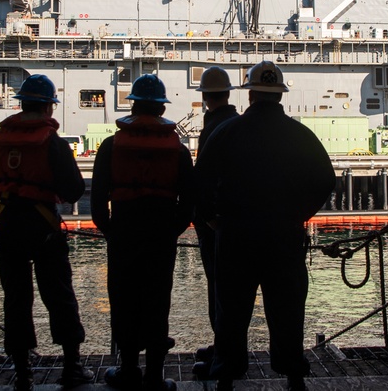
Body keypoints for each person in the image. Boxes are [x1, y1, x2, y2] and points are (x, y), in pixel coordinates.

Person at [195, 61, 336, 391]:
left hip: (236, 236)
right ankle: (294, 375)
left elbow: (199, 182)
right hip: (283, 235)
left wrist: (214, 219)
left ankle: (226, 375)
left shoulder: (226, 132)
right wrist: (300, 213)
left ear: (251, 94)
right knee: (287, 309)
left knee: (231, 311)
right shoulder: (299, 134)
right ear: (280, 96)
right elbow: (326, 179)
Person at [0, 74, 93, 391]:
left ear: (22, 103)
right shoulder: (52, 143)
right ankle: (71, 367)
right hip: (43, 227)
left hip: (10, 224)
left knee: (16, 299)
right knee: (59, 295)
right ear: (48, 109)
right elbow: (73, 190)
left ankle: (23, 371)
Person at [91, 74, 195, 391]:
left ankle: (127, 369)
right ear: (161, 109)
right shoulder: (178, 150)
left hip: (124, 231)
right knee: (156, 299)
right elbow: (188, 204)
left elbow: (96, 204)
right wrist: (169, 230)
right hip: (161, 233)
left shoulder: (110, 146)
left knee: (123, 299)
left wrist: (113, 231)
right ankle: (154, 373)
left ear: (132, 105)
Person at [190, 67, 239, 377]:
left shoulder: (213, 128)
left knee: (220, 288)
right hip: (238, 219)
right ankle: (228, 347)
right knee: (235, 289)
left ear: (206, 97)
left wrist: (207, 218)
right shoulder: (238, 124)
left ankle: (224, 353)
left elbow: (202, 179)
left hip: (217, 225)